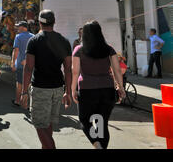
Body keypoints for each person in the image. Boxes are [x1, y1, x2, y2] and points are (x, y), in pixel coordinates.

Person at [21, 10, 72, 149]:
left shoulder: (34, 41)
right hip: (57, 89)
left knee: (39, 124)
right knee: (47, 123)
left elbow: (28, 68)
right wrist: (68, 92)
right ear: (54, 22)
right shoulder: (64, 41)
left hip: (40, 88)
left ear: (39, 22)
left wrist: (24, 91)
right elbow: (68, 69)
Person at [72, 21, 126, 149]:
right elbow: (117, 70)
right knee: (101, 123)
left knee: (85, 120)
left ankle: (96, 144)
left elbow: (75, 71)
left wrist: (72, 89)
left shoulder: (79, 50)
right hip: (107, 90)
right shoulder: (109, 49)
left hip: (86, 90)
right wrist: (121, 87)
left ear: (84, 35)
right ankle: (101, 146)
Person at [11, 21, 34, 107]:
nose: (17, 28)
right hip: (32, 64)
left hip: (20, 64)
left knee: (20, 83)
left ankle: (18, 101)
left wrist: (13, 63)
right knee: (30, 84)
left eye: (18, 27)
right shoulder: (34, 36)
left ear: (24, 27)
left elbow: (16, 51)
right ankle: (28, 103)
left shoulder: (18, 37)